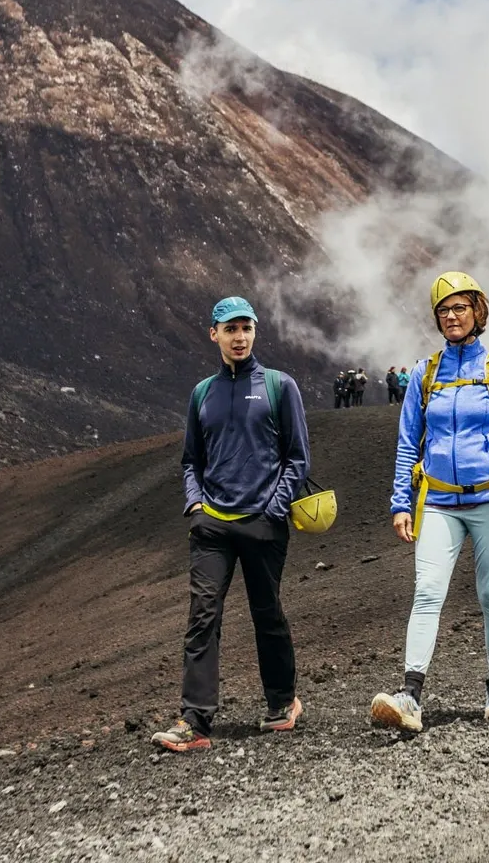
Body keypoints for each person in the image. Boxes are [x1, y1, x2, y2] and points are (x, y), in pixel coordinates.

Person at [370, 272, 489, 734]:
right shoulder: (425, 372)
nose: (451, 316)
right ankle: (410, 695)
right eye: (443, 310)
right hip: (438, 501)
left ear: (477, 312)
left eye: (460, 308)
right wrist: (401, 502)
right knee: (426, 592)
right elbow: (407, 444)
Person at [151, 297, 310, 752]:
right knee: (202, 618)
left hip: (265, 521)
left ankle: (283, 702)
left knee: (267, 614)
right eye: (230, 329)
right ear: (213, 334)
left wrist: (274, 509)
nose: (239, 337)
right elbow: (190, 461)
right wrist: (195, 506)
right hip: (212, 527)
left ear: (255, 331)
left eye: (246, 328)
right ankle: (195, 723)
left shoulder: (280, 386)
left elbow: (297, 458)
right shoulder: (202, 393)